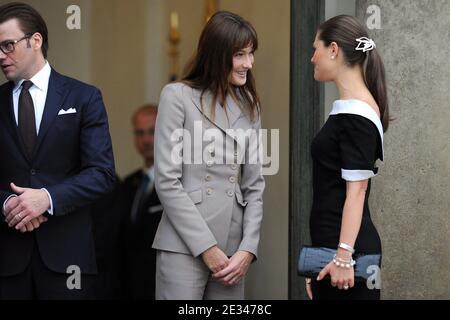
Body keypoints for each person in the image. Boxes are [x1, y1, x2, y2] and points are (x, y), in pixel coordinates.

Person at [0, 3, 115, 299]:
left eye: (8, 45)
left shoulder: (84, 97)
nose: (1, 56)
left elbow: (101, 173)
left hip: (68, 262)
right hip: (7, 262)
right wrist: (10, 204)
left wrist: (46, 199)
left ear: (35, 41)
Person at [152, 11, 265, 300]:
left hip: (233, 251)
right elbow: (167, 182)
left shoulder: (249, 105)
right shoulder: (176, 96)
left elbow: (254, 186)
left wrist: (248, 249)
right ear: (217, 54)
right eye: (240, 55)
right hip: (184, 244)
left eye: (251, 54)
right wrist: (207, 247)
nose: (248, 64)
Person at [307, 15, 390, 300]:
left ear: (333, 50)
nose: (312, 58)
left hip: (348, 259)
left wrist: (343, 256)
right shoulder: (349, 110)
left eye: (315, 48)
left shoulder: (357, 115)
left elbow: (358, 191)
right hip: (334, 255)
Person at [121, 105, 162, 300]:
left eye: (152, 132)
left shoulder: (181, 181)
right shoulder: (128, 184)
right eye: (139, 133)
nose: (145, 140)